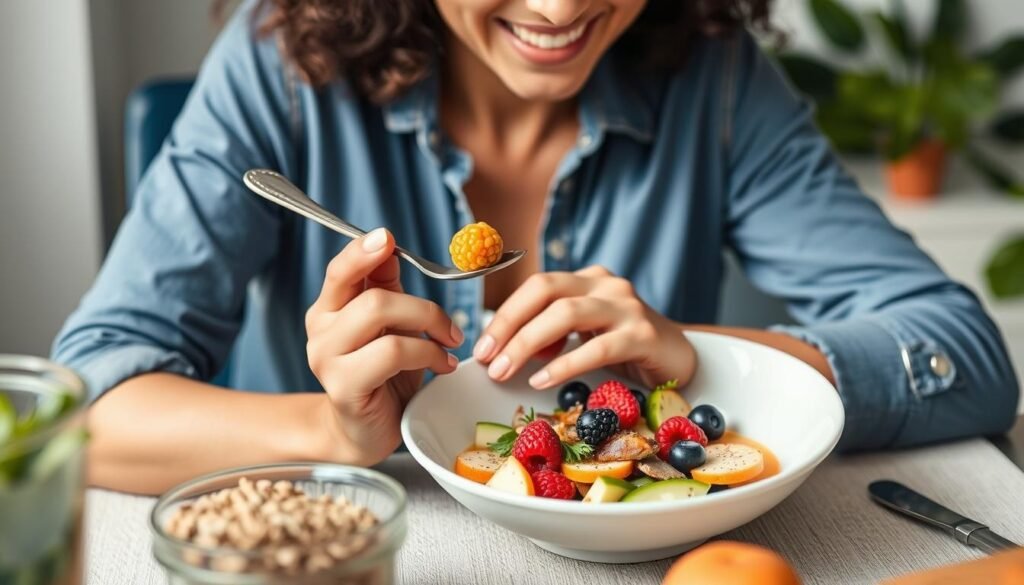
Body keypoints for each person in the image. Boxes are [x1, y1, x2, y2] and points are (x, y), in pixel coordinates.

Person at [54, 0, 1019, 495]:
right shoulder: (279, 65)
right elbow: (86, 404)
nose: (558, 11)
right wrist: (334, 433)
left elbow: (963, 354)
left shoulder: (716, 79)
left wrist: (697, 355)